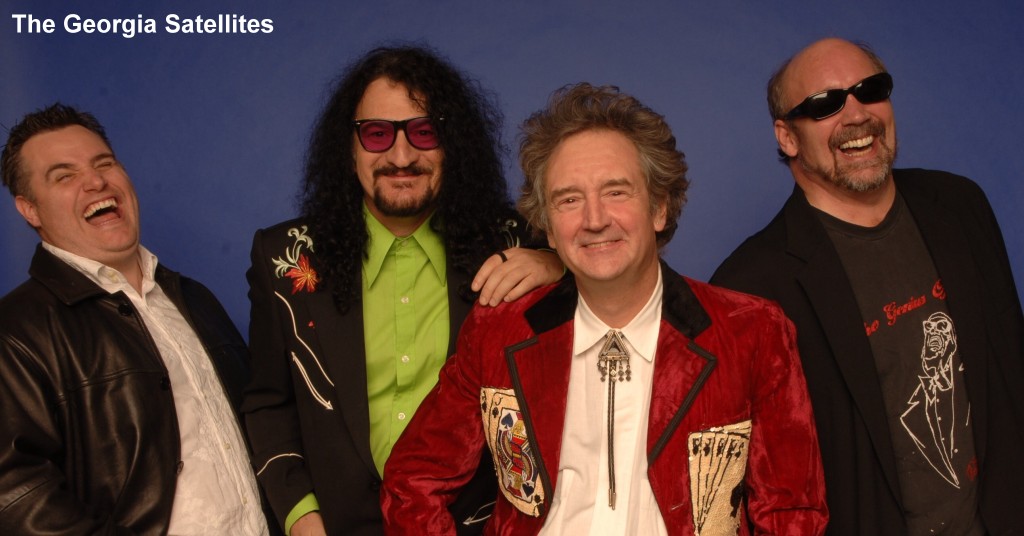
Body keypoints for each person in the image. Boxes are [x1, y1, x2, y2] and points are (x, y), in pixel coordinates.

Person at [381, 83, 828, 535]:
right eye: (569, 199)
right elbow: (412, 481)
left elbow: (793, 513)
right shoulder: (499, 330)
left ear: (659, 208)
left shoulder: (752, 332)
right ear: (548, 228)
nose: (594, 220)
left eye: (616, 192)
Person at [242, 45, 564, 536]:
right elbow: (268, 406)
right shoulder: (284, 259)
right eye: (377, 134)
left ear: (452, 144)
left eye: (424, 132)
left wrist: (559, 264)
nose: (401, 156)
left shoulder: (515, 244)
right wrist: (301, 518)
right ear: (349, 147)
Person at [711, 37, 1024, 535]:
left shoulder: (961, 206)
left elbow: (1011, 372)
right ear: (787, 137)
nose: (856, 114)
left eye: (870, 90)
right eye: (825, 104)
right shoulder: (748, 286)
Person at [0, 104, 275, 535]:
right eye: (64, 176)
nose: (96, 181)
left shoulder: (194, 299)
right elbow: (15, 495)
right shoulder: (15, 330)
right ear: (29, 209)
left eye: (104, 163)